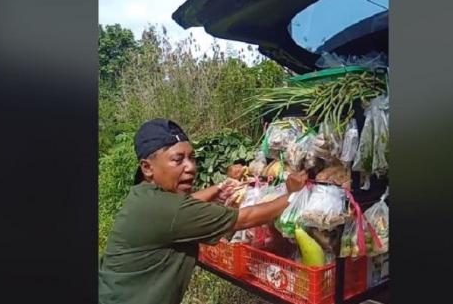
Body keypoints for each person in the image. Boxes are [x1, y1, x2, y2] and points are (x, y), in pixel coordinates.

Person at [98, 118, 308, 304]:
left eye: (192, 158)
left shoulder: (145, 196)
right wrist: (291, 194)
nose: (190, 167)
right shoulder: (169, 211)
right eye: (178, 160)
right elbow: (244, 219)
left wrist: (218, 189)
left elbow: (185, 204)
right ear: (147, 168)